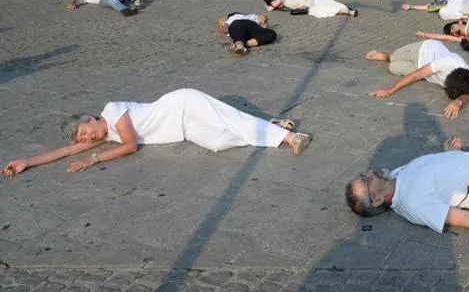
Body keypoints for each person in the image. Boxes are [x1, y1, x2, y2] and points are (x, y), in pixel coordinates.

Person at [2, 88, 312, 178]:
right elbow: (64, 152)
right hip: (184, 129)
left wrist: (95, 158)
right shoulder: (107, 135)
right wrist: (28, 161)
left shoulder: (112, 110)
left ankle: (289, 138)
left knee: (228, 119)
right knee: (220, 140)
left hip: (181, 104)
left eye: (84, 132)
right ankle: (270, 127)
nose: (86, 140)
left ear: (90, 118)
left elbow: (131, 145)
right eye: (83, 140)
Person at [366, 40, 469, 119]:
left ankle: (390, 59)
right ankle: (387, 55)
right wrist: (389, 91)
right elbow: (416, 75)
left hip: (423, 70)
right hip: (422, 50)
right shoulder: (449, 61)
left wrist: (458, 102)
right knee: (393, 57)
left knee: (393, 68)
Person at [263, 0, 358, 18]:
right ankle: (348, 11)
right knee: (324, 8)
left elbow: (270, 8)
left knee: (325, 6)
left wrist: (267, 5)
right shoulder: (287, 4)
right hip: (310, 0)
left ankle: (348, 11)